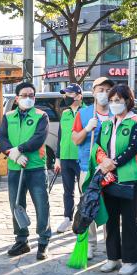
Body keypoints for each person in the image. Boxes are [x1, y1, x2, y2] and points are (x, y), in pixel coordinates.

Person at [93, 85, 137, 275]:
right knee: (111, 219)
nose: (115, 104)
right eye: (112, 100)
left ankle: (130, 260)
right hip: (108, 176)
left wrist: (113, 163)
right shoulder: (106, 123)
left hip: (129, 176)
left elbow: (132, 148)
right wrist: (103, 161)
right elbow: (98, 145)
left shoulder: (136, 122)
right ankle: (112, 257)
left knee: (129, 219)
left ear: (128, 101)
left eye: (119, 100)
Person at [0, 81, 51, 260]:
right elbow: (2, 139)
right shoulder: (8, 116)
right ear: (17, 98)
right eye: (24, 96)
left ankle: (43, 241)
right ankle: (22, 240)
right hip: (15, 168)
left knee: (41, 205)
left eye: (31, 96)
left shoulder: (41, 116)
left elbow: (39, 138)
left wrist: (19, 149)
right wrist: (13, 155)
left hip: (35, 167)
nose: (28, 99)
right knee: (16, 205)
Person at [72, 77, 114, 257]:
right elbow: (75, 139)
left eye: (107, 90)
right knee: (88, 205)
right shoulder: (84, 114)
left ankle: (111, 245)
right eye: (100, 89)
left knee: (111, 208)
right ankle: (90, 245)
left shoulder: (117, 113)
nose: (104, 93)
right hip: (88, 169)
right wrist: (87, 129)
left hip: (112, 169)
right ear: (93, 91)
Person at [55, 84, 84, 233]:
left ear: (79, 96)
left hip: (81, 158)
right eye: (65, 94)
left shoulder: (86, 112)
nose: (66, 97)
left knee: (83, 190)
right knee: (68, 190)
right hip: (65, 157)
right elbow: (61, 136)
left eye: (70, 94)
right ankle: (67, 218)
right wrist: (58, 157)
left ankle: (82, 218)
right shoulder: (65, 113)